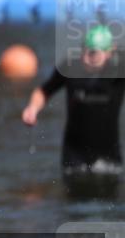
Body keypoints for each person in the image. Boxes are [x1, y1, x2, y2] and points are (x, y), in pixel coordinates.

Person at [22, 24, 125, 198]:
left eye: (94, 53)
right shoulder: (70, 67)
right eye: (84, 50)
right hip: (74, 156)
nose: (87, 57)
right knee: (73, 206)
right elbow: (44, 91)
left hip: (108, 157)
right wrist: (32, 108)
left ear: (109, 53)